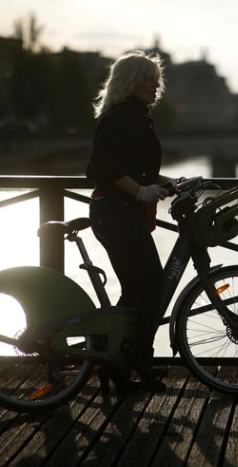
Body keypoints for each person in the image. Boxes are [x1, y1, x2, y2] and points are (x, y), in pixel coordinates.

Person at [86, 50, 175, 393]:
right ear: (131, 83)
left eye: (157, 80)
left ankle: (116, 364)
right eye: (149, 80)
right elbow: (102, 168)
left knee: (136, 288)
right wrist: (139, 192)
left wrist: (170, 183)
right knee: (154, 282)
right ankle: (138, 356)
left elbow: (138, 169)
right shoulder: (120, 118)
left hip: (119, 212)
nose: (156, 86)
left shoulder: (133, 116)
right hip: (115, 212)